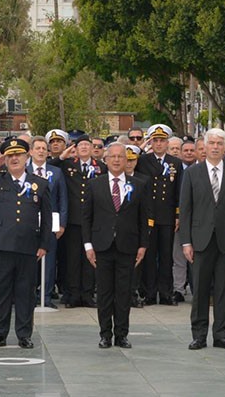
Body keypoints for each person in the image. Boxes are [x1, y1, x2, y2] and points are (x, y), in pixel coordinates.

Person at [0, 138, 53, 350]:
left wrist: (44, 244)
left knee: (26, 292)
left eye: (19, 155)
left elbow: (48, 217)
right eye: (10, 155)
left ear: (27, 157)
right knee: (0, 292)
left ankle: (24, 334)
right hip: (1, 245)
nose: (14, 159)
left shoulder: (39, 184)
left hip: (28, 246)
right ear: (4, 159)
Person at [180, 128, 225, 350]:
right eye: (212, 143)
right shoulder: (192, 173)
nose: (216, 147)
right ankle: (199, 335)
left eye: (220, 143)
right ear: (205, 146)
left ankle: (222, 335)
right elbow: (186, 210)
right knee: (199, 289)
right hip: (200, 240)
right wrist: (186, 242)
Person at [82, 143, 149, 349]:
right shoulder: (95, 184)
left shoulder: (138, 184)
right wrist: (88, 246)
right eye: (113, 157)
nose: (118, 160)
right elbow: (86, 218)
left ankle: (122, 334)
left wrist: (143, 245)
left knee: (123, 292)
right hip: (101, 245)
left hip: (127, 245)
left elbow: (143, 217)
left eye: (122, 157)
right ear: (106, 159)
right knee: (104, 292)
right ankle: (105, 334)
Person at [50, 133, 101, 308]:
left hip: (93, 219)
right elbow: (50, 166)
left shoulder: (100, 166)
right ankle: (72, 294)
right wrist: (63, 155)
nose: (85, 148)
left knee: (90, 258)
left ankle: (87, 294)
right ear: (76, 149)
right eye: (81, 146)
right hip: (73, 219)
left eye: (88, 145)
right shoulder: (67, 165)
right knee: (72, 259)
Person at [135, 124, 183, 305]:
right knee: (149, 255)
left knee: (166, 256)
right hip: (149, 214)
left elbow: (179, 190)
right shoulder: (143, 160)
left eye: (162, 141)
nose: (159, 144)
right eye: (155, 140)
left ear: (167, 142)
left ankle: (165, 293)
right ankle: (149, 292)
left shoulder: (175, 162)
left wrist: (178, 215)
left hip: (167, 215)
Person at [27, 137, 68, 309]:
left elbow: (63, 199)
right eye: (38, 148)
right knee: (29, 261)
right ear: (31, 151)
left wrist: (62, 224)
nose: (41, 151)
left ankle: (46, 296)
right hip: (28, 223)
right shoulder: (23, 170)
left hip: (51, 223)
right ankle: (29, 295)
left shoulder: (56, 172)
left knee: (49, 261)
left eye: (44, 148)